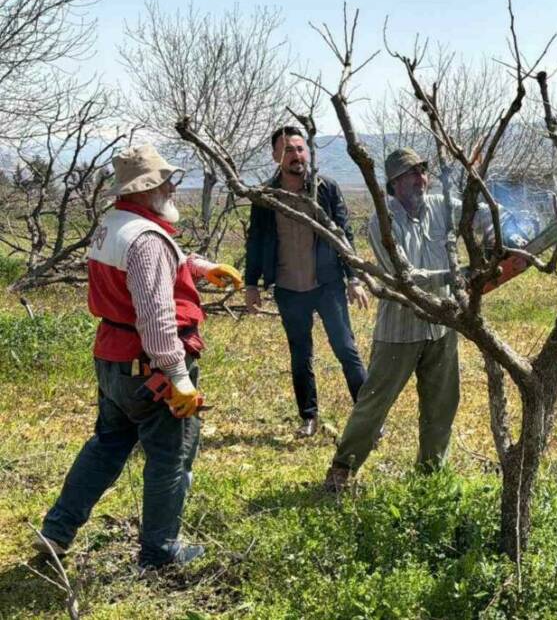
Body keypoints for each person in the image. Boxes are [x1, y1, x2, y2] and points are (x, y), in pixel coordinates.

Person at [35, 145, 242, 569]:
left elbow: (163, 260)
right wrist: (178, 376)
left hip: (113, 358)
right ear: (146, 189)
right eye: (165, 182)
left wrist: (202, 268)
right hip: (150, 365)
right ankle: (160, 552)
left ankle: (56, 531)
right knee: (170, 456)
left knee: (108, 444)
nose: (172, 188)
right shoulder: (146, 239)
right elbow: (156, 316)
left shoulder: (113, 225)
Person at [323, 148, 489, 491]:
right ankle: (341, 470)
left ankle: (430, 475)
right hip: (400, 329)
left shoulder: (441, 205)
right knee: (374, 403)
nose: (420, 179)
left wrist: (501, 228)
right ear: (394, 183)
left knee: (442, 404)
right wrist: (457, 274)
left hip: (442, 325)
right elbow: (406, 277)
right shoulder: (382, 223)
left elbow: (480, 213)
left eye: (423, 171)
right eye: (412, 173)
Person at [243, 126, 369, 438]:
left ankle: (369, 418)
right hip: (289, 288)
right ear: (275, 156)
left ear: (308, 153)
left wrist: (353, 278)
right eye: (288, 150)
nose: (296, 155)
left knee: (346, 350)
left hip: (327, 285)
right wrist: (251, 284)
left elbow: (343, 234)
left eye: (300, 149)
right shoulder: (266, 196)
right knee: (300, 355)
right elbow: (255, 240)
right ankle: (308, 417)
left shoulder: (325, 189)